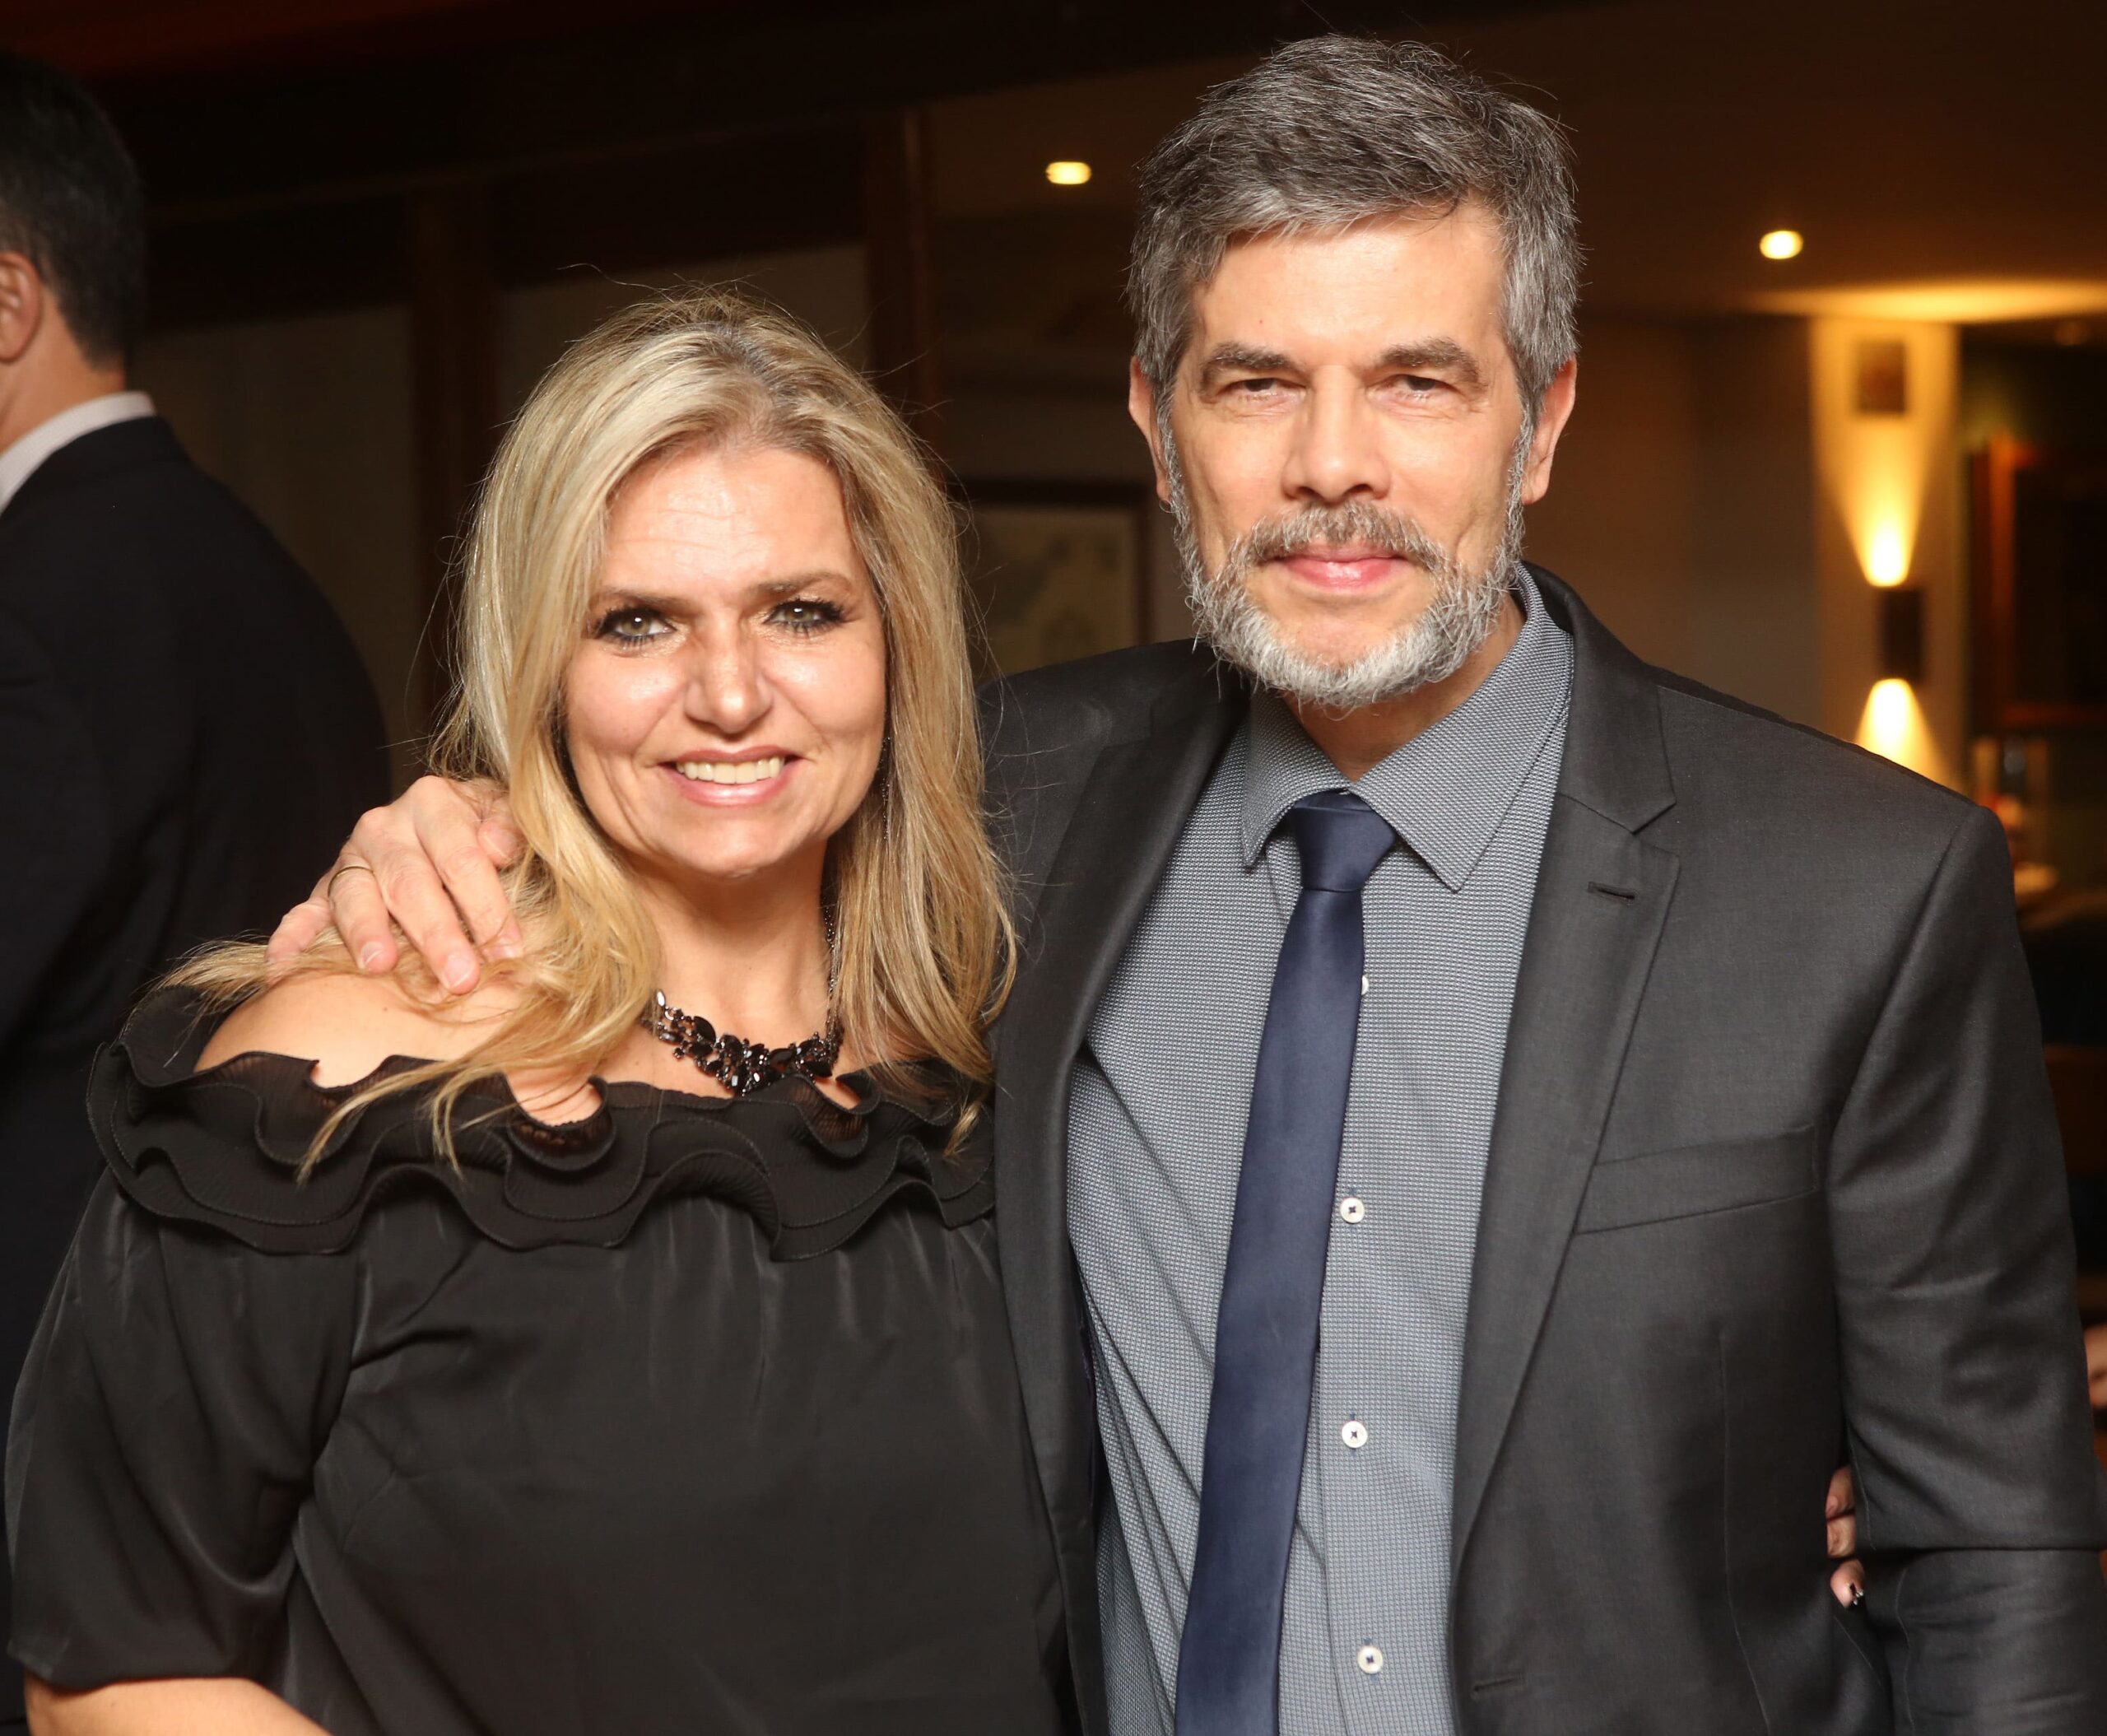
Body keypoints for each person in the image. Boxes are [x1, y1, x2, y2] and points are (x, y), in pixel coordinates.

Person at [263, 38, 2107, 1736]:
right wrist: (459, 833)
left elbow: (1992, 1560)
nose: (1331, 467)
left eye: (1417, 381)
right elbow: (704, 790)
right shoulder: (993, 805)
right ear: (1157, 424)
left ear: (1540, 419)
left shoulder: (1857, 892)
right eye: (1256, 383)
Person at [6, 291, 1066, 1735]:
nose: (731, 693)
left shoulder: (1010, 1068)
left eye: (802, 611)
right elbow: (110, 1670)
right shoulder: (334, 1091)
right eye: (637, 623)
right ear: (543, 670)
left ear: (901, 646)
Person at [0, 54, 388, 1727]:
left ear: (7, 301)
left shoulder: (36, 599)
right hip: (261, 1397)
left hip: (55, 1389)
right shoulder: (257, 572)